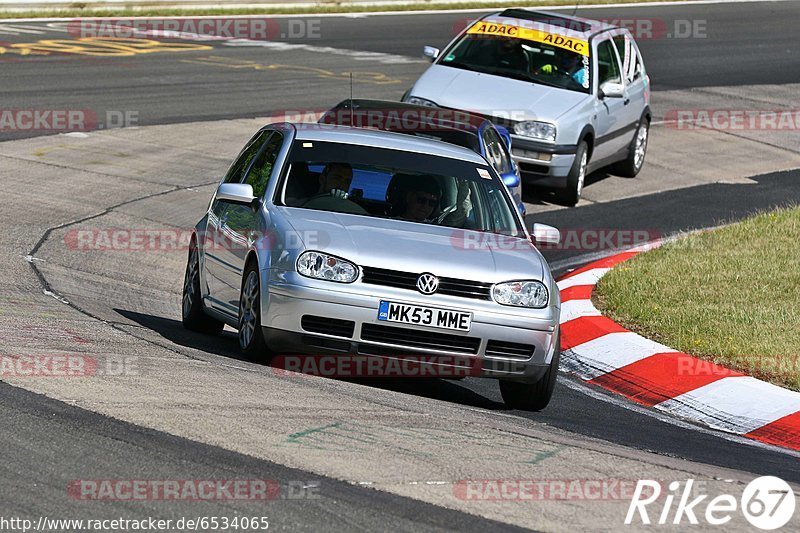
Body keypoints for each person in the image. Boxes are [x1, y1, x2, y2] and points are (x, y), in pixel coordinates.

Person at [302, 162, 367, 215]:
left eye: (347, 181)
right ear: (322, 179)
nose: (342, 184)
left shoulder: (354, 212)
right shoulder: (299, 205)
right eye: (337, 178)